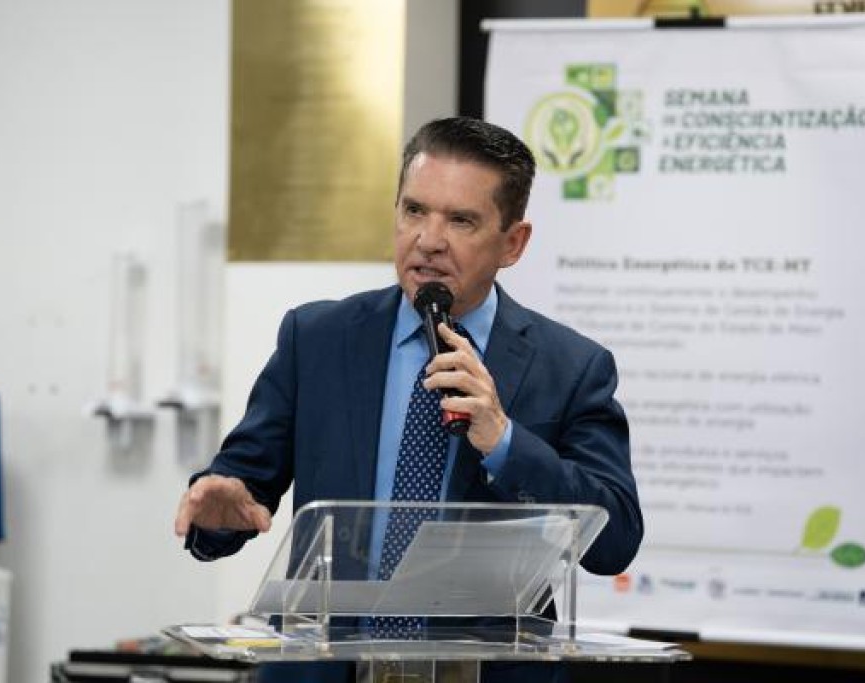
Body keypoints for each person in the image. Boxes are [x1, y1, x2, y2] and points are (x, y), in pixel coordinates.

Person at [174, 117, 643, 683]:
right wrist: (220, 507)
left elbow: (615, 540)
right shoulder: (318, 338)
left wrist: (505, 442)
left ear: (513, 243)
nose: (428, 240)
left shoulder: (570, 367)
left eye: (461, 220)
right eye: (414, 210)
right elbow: (241, 489)